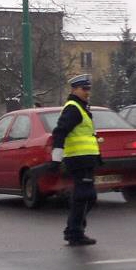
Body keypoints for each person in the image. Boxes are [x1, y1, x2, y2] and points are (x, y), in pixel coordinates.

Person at [48, 74, 103, 247]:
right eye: (84, 89)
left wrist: (97, 157)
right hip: (78, 159)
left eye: (88, 89)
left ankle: (75, 230)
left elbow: (87, 136)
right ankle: (74, 232)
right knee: (84, 196)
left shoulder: (82, 107)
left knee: (87, 196)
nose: (87, 92)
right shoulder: (73, 108)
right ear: (74, 90)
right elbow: (59, 132)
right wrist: (56, 159)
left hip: (86, 159)